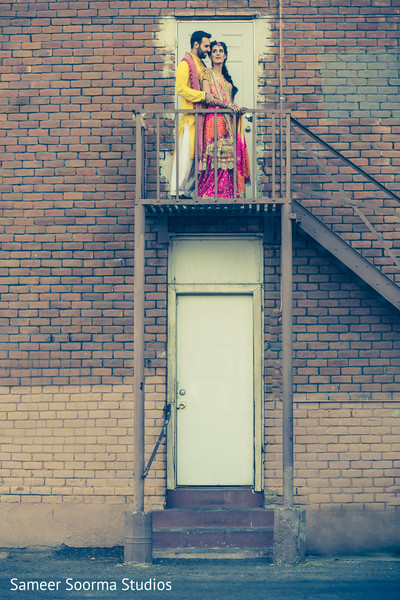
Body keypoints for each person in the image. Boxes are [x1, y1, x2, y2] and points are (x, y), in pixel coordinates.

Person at [170, 30, 221, 198]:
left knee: (197, 157)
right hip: (190, 119)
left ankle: (187, 191)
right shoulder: (185, 64)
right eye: (206, 46)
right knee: (186, 156)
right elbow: (180, 89)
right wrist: (203, 96)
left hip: (202, 119)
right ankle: (176, 191)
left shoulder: (202, 66)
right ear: (196, 44)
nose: (208, 49)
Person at [198, 41, 250, 199]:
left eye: (221, 51)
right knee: (216, 154)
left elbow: (230, 103)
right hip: (214, 119)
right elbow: (209, 98)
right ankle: (209, 192)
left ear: (225, 55)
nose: (218, 53)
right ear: (210, 55)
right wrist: (229, 105)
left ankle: (227, 193)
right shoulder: (207, 73)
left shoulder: (227, 80)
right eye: (214, 51)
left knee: (228, 155)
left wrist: (237, 109)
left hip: (228, 122)